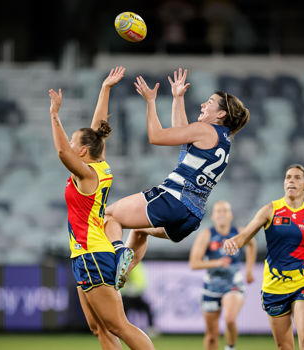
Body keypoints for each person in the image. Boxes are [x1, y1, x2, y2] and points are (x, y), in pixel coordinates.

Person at [104, 68, 250, 289]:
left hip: (172, 199)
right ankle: (120, 275)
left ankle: (118, 253)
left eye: (210, 102)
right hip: (191, 215)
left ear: (221, 114)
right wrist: (178, 98)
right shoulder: (223, 141)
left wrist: (151, 102)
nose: (203, 104)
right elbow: (181, 132)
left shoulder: (205, 130)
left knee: (110, 214)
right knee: (139, 228)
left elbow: (156, 136)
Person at [48, 66, 155, 350]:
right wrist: (105, 89)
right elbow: (97, 131)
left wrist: (54, 115)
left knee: (118, 325)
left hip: (92, 254)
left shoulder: (86, 175)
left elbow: (61, 152)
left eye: (74, 142)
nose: (70, 145)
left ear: (82, 152)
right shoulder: (99, 165)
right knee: (100, 330)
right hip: (86, 254)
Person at [223, 164, 304, 350]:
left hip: (303, 282)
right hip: (274, 285)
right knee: (285, 347)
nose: (291, 181)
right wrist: (233, 242)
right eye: (288, 177)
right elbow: (244, 236)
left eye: (297, 177)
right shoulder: (270, 209)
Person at [189, 200, 256, 350]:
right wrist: (217, 263)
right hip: (211, 287)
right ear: (213, 216)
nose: (222, 214)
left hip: (233, 284)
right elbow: (194, 263)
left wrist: (249, 270)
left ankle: (230, 347)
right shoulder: (207, 235)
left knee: (229, 318)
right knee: (212, 335)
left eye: (225, 211)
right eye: (218, 211)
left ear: (231, 215)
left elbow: (252, 244)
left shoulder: (238, 232)